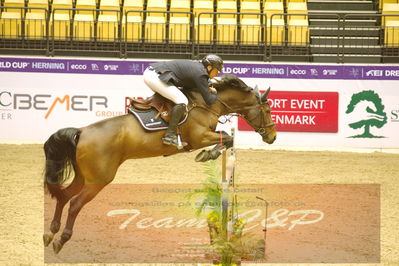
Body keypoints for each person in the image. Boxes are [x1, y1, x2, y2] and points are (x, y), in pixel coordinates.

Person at [143, 54, 224, 147]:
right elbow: (209, 100)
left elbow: (192, 87)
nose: (217, 73)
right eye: (217, 70)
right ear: (209, 67)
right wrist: (215, 92)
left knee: (175, 99)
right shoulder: (201, 74)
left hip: (153, 73)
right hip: (154, 76)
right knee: (182, 101)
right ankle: (169, 136)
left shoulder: (199, 70)